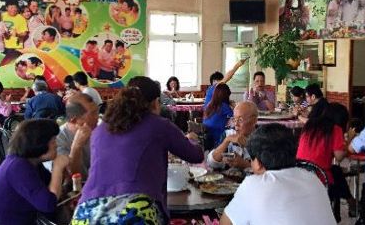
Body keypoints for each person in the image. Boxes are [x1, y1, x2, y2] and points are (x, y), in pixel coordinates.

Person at [71, 77, 203, 224]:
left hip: (86, 211)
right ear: (156, 103)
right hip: (135, 209)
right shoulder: (158, 125)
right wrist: (192, 138)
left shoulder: (100, 130)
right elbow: (195, 155)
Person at [220, 123, 336, 225]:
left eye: (252, 160)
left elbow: (225, 223)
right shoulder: (312, 178)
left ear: (259, 164)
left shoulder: (254, 185)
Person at [0, 119, 69, 225]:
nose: (56, 145)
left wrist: (62, 174)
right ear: (39, 143)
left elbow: (52, 189)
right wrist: (57, 168)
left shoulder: (31, 162)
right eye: (53, 141)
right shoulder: (18, 167)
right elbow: (49, 204)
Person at [296, 102, 355, 222]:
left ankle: (350, 202)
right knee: (336, 174)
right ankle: (346, 207)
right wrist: (349, 139)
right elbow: (339, 157)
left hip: (300, 173)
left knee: (336, 171)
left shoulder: (309, 125)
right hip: (320, 178)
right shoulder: (335, 129)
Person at [56, 93, 98, 178]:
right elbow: (70, 176)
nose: (97, 117)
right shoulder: (57, 139)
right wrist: (77, 145)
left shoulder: (97, 131)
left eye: (97, 112)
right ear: (74, 120)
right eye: (93, 113)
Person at [207, 101, 257, 170]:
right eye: (234, 119)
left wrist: (245, 165)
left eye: (240, 120)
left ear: (253, 121)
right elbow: (211, 163)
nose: (236, 124)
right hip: (229, 179)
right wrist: (226, 141)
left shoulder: (263, 138)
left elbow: (269, 171)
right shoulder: (228, 134)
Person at [203, 83, 233, 147]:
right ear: (225, 95)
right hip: (217, 135)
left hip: (206, 133)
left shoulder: (210, 104)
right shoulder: (224, 106)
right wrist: (233, 105)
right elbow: (235, 115)